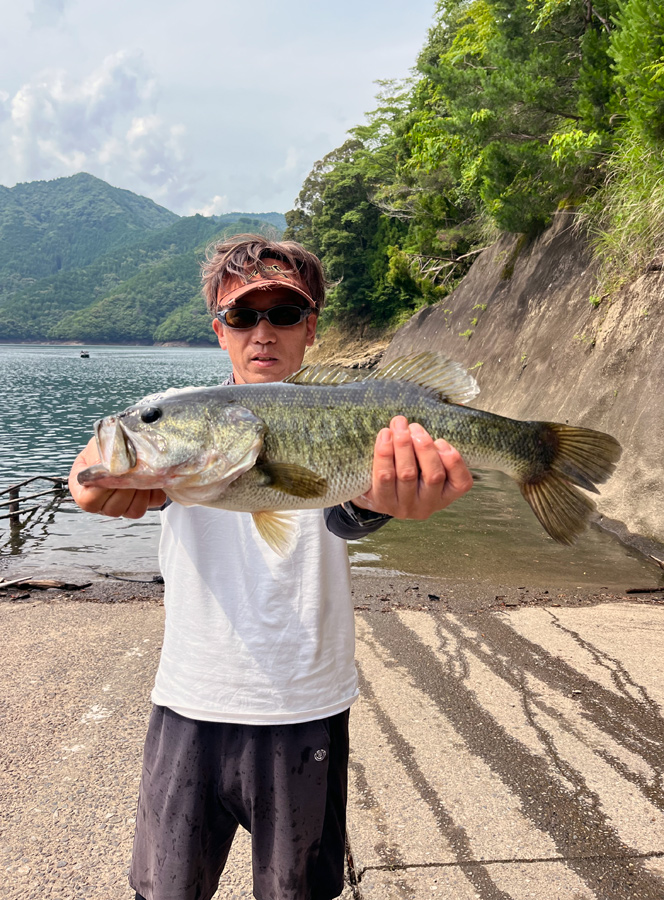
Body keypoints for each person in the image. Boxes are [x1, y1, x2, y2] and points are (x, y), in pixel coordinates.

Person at [68, 235, 473, 900]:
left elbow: (344, 514)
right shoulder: (181, 411)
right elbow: (95, 464)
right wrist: (95, 486)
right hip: (191, 701)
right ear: (218, 329)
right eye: (241, 315)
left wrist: (387, 503)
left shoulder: (348, 414)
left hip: (305, 705)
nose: (263, 331)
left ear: (311, 328)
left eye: (284, 314)